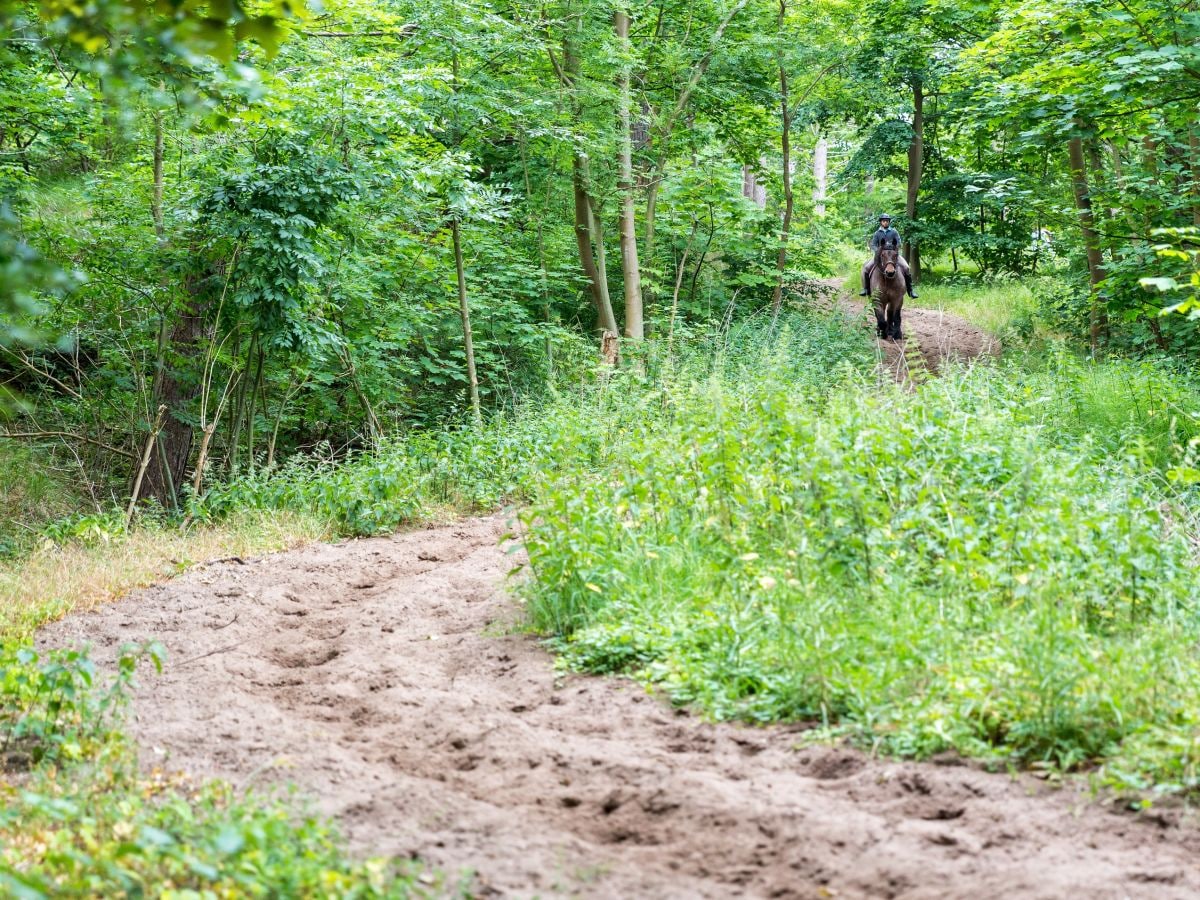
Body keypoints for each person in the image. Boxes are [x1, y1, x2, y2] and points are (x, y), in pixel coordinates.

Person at [860, 214, 918, 299]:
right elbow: (873, 244)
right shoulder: (877, 233)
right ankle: (866, 289)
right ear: (881, 222)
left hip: (893, 255)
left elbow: (898, 242)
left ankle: (910, 290)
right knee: (866, 267)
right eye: (883, 221)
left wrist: (895, 249)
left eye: (887, 221)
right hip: (881, 255)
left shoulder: (894, 231)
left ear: (889, 222)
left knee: (906, 267)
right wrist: (878, 251)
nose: (885, 222)